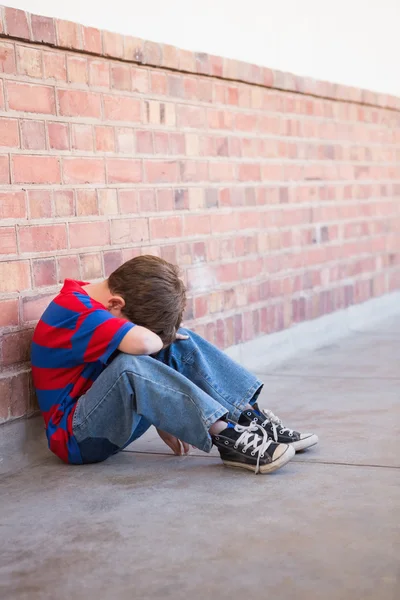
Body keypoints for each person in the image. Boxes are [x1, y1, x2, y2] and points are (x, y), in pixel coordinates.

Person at [31, 255, 318, 475]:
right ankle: (227, 438)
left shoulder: (98, 301)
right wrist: (163, 402)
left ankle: (249, 418)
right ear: (116, 304)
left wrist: (163, 410)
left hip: (107, 419)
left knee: (180, 341)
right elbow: (141, 347)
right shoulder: (73, 310)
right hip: (78, 438)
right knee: (134, 362)